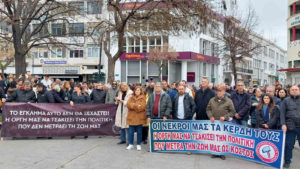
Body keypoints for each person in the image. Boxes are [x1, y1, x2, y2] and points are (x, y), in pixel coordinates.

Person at [206, 84, 235, 160]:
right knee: (214, 138)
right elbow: (208, 109)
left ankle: (222, 153)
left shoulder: (228, 101)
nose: (218, 92)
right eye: (217, 91)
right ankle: (215, 152)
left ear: (224, 92)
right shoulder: (212, 100)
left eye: (220, 91)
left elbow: (232, 112)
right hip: (214, 123)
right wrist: (210, 116)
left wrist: (225, 117)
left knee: (222, 139)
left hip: (223, 123)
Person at [280, 85, 300, 168]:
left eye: (296, 89)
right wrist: (283, 124)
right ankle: (287, 161)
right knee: (288, 145)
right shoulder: (285, 100)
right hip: (289, 126)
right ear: (289, 91)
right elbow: (282, 114)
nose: (294, 91)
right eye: (293, 89)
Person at [126, 86, 146, 151]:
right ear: (134, 91)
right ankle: (130, 144)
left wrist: (134, 105)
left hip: (139, 118)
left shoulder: (143, 98)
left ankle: (138, 144)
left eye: (138, 90)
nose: (137, 91)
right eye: (136, 90)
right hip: (131, 117)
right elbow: (128, 105)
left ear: (140, 91)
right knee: (130, 132)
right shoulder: (131, 97)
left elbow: (142, 107)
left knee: (139, 132)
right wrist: (136, 105)